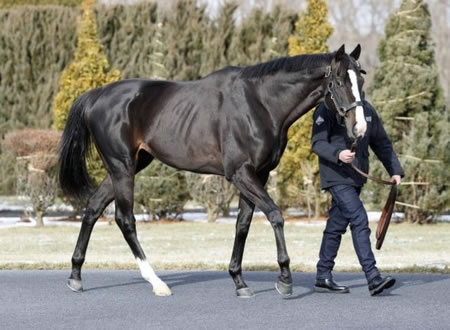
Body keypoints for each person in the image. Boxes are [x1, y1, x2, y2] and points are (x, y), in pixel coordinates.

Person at [311, 99, 404, 296]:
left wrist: (395, 170)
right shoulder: (326, 108)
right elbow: (317, 143)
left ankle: (323, 275)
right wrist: (338, 153)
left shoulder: (367, 109)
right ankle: (373, 277)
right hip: (336, 176)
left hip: (357, 176)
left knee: (336, 225)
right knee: (359, 218)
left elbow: (381, 143)